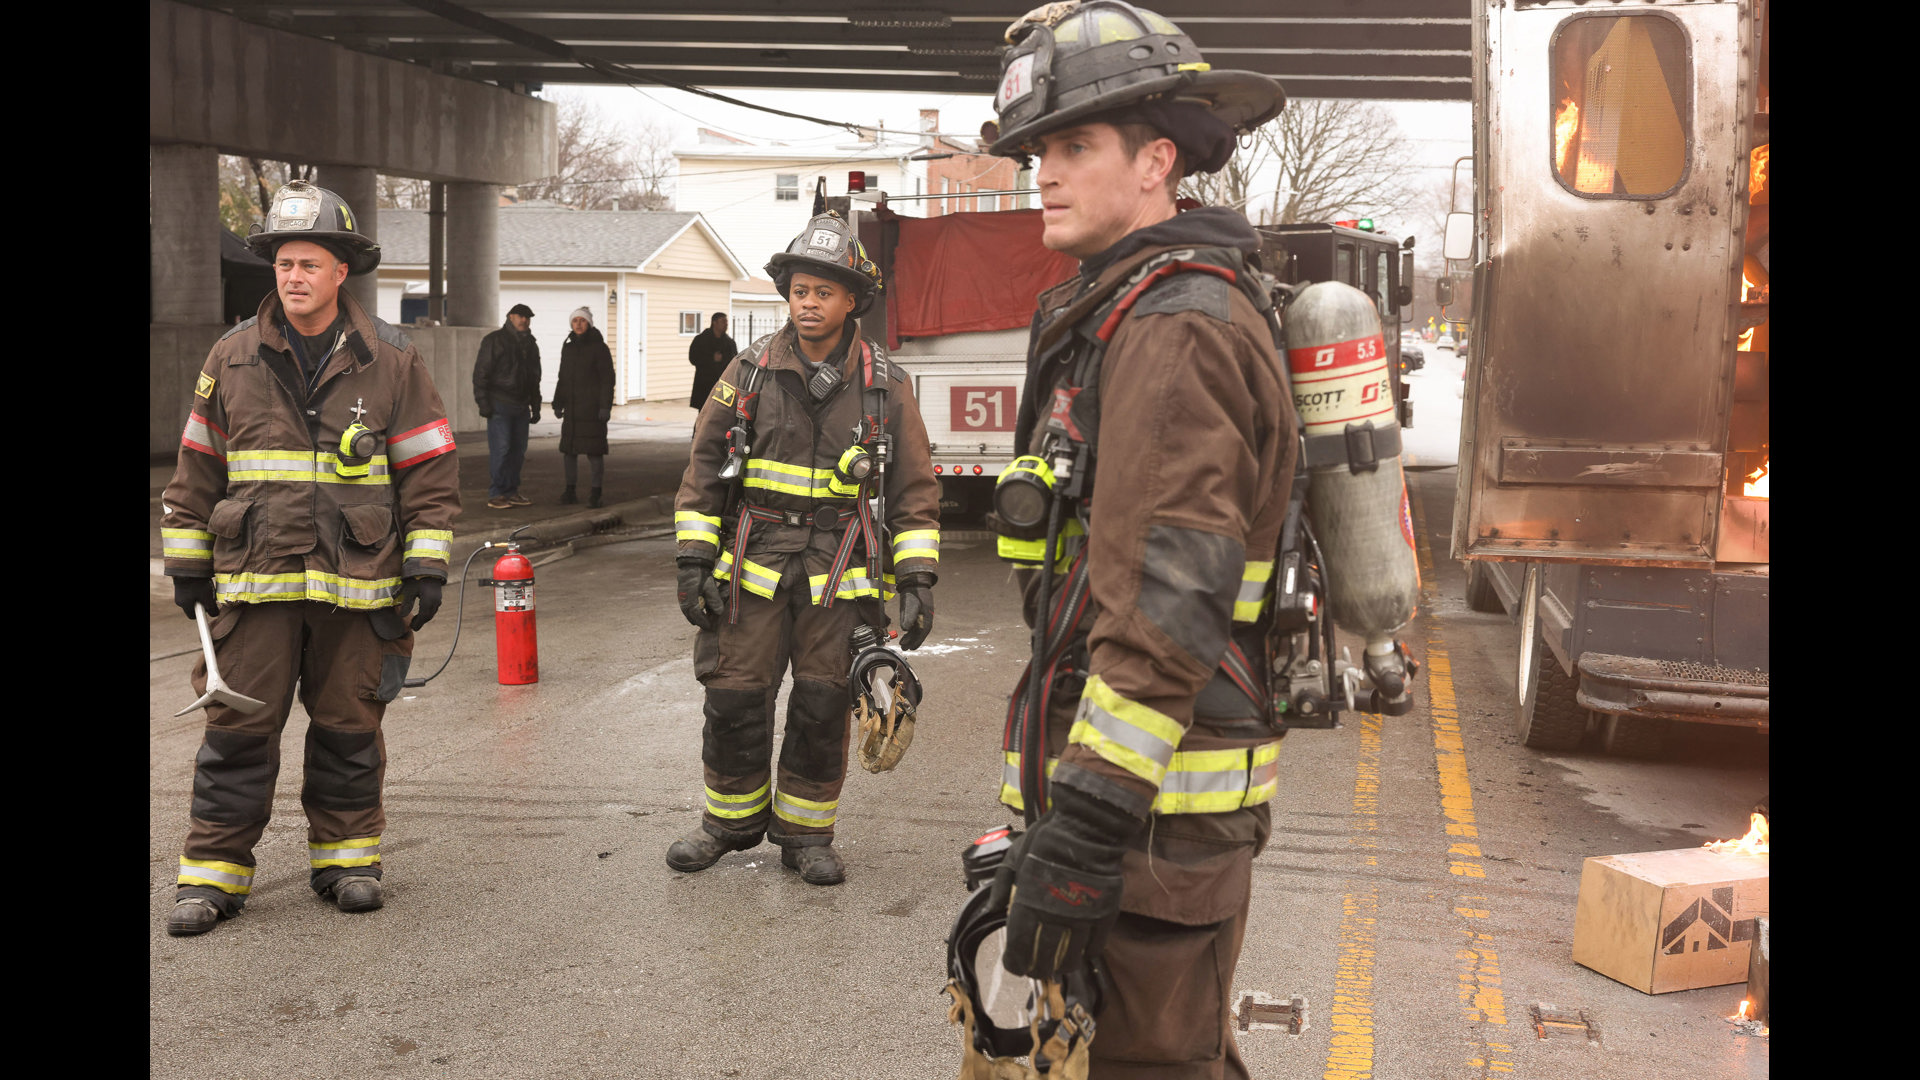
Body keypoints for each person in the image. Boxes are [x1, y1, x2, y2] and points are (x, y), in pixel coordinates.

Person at [974, 4, 1293, 1076]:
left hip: (1155, 825)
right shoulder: (1125, 306)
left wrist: (1089, 824)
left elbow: (1167, 601)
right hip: (1140, 806)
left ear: (1156, 161)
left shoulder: (1173, 326)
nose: (1044, 175)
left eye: (1073, 147)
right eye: (1038, 151)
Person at [160, 180, 460, 936]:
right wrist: (187, 561)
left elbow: (428, 467)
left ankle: (348, 861)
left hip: (358, 588)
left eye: (309, 263)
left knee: (350, 725)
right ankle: (212, 875)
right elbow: (196, 467)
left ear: (340, 274)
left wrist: (426, 561)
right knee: (235, 729)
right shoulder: (230, 357)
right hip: (254, 586)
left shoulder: (392, 359)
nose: (293, 276)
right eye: (284, 262)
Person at [667, 212, 941, 886]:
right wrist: (693, 561)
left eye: (824, 292)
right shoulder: (749, 370)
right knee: (733, 697)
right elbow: (704, 466)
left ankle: (806, 835)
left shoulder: (887, 386)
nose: (809, 304)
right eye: (799, 292)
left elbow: (913, 488)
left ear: (853, 301)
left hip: (839, 575)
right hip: (753, 567)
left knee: (822, 704)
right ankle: (727, 824)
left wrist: (918, 577)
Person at [473, 302, 541, 509]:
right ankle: (497, 493)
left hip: (521, 406)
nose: (524, 320)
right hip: (500, 404)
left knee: (517, 452)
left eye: (527, 317)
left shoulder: (530, 344)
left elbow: (534, 378)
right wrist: (483, 403)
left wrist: (536, 406)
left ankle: (511, 492)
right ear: (510, 317)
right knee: (501, 449)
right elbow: (481, 374)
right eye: (520, 316)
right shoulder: (494, 341)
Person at [553, 306, 615, 508]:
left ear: (589, 323)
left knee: (594, 452)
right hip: (572, 409)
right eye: (575, 321)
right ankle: (569, 490)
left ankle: (596, 493)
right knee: (569, 451)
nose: (578, 324)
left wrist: (605, 406)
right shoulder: (568, 347)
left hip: (592, 409)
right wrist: (558, 401)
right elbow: (563, 377)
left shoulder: (599, 348)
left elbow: (607, 379)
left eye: (582, 321)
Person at [686, 311, 737, 409]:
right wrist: (711, 359)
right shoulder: (701, 340)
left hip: (723, 382)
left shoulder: (729, 343)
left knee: (722, 411)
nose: (726, 324)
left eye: (726, 322)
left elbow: (734, 360)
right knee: (704, 411)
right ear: (714, 322)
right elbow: (693, 358)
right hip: (705, 382)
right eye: (723, 321)